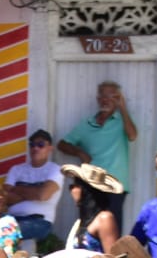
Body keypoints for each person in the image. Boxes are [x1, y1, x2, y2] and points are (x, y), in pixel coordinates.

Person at [58, 81, 136, 224]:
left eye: (111, 96)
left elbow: (132, 136)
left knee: (112, 231)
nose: (105, 100)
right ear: (97, 99)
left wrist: (123, 108)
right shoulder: (87, 123)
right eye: (102, 96)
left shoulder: (121, 121)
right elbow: (62, 144)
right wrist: (79, 152)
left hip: (115, 185)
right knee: (88, 228)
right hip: (91, 183)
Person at [3, 129, 62, 243]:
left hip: (40, 221)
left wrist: (16, 189)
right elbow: (5, 198)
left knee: (6, 233)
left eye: (41, 145)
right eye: (32, 145)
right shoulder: (16, 169)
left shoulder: (56, 170)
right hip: (11, 219)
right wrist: (34, 191)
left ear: (50, 148)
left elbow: (42, 195)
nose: (35, 148)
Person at [60, 163, 124, 253]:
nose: (71, 191)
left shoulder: (105, 219)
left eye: (74, 186)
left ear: (85, 190)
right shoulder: (80, 222)